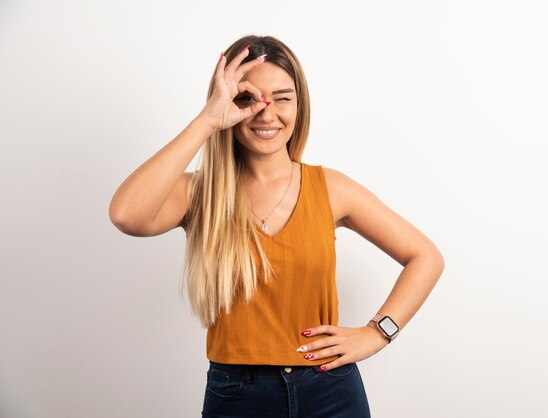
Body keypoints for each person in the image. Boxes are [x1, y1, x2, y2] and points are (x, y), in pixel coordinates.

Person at [109, 34, 445, 418]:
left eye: (282, 98)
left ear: (299, 106)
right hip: (236, 395)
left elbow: (425, 257)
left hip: (330, 389)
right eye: (248, 98)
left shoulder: (331, 188)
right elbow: (126, 214)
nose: (267, 114)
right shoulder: (200, 193)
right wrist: (207, 120)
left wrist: (376, 333)